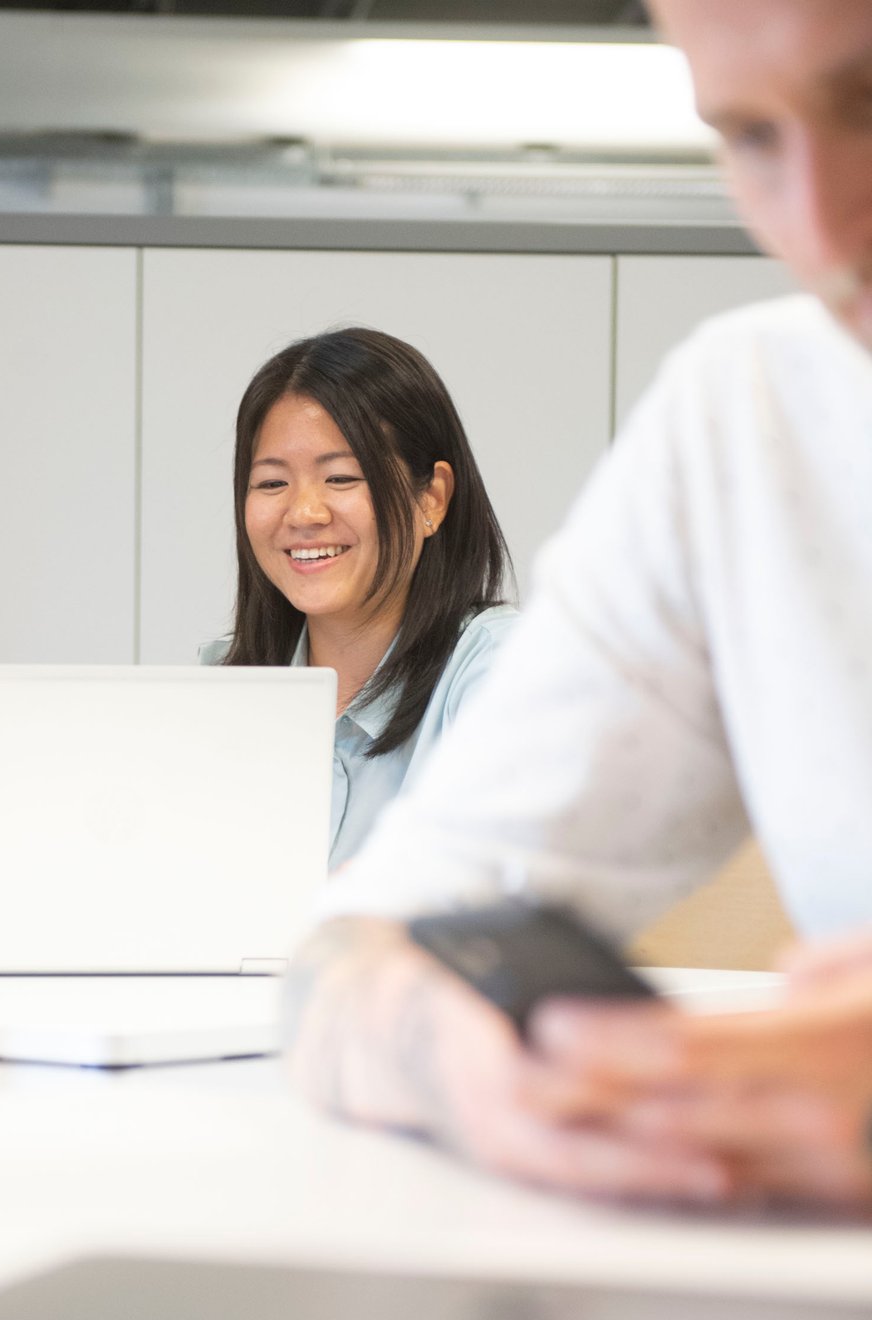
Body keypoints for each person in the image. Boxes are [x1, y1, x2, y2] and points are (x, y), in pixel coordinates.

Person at [286, 0, 872, 1209]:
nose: (819, 228)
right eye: (752, 136)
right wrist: (481, 1066)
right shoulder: (748, 421)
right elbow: (342, 959)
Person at [202, 328, 514, 868]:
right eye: (272, 484)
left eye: (341, 478)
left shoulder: (500, 670)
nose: (304, 513)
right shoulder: (225, 682)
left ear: (432, 499)